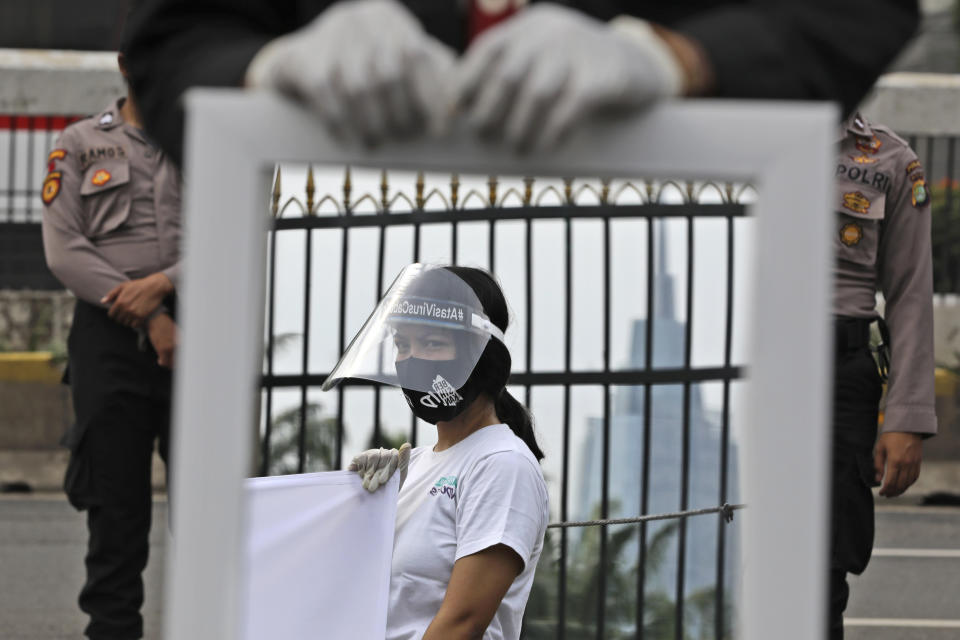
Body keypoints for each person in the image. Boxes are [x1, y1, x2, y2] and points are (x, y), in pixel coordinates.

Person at [124, 0, 920, 163]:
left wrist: (673, 56)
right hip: (299, 320)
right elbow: (173, 42)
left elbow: (858, 13)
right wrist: (273, 65)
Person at [323, 264, 549, 639]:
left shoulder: (501, 465)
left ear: (480, 354)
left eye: (431, 343)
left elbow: (462, 625)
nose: (412, 359)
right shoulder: (412, 467)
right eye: (402, 344)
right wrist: (359, 508)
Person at [40, 40, 182, 640]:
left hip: (201, 325)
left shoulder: (206, 142)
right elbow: (63, 249)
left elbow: (238, 233)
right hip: (108, 334)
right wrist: (149, 312)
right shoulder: (76, 143)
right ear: (126, 64)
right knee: (115, 506)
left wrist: (166, 285)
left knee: (212, 503)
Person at [829, 112, 936, 638]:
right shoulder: (739, 134)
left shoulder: (891, 160)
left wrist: (906, 417)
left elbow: (912, 293)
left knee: (822, 571)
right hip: (744, 369)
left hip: (838, 374)